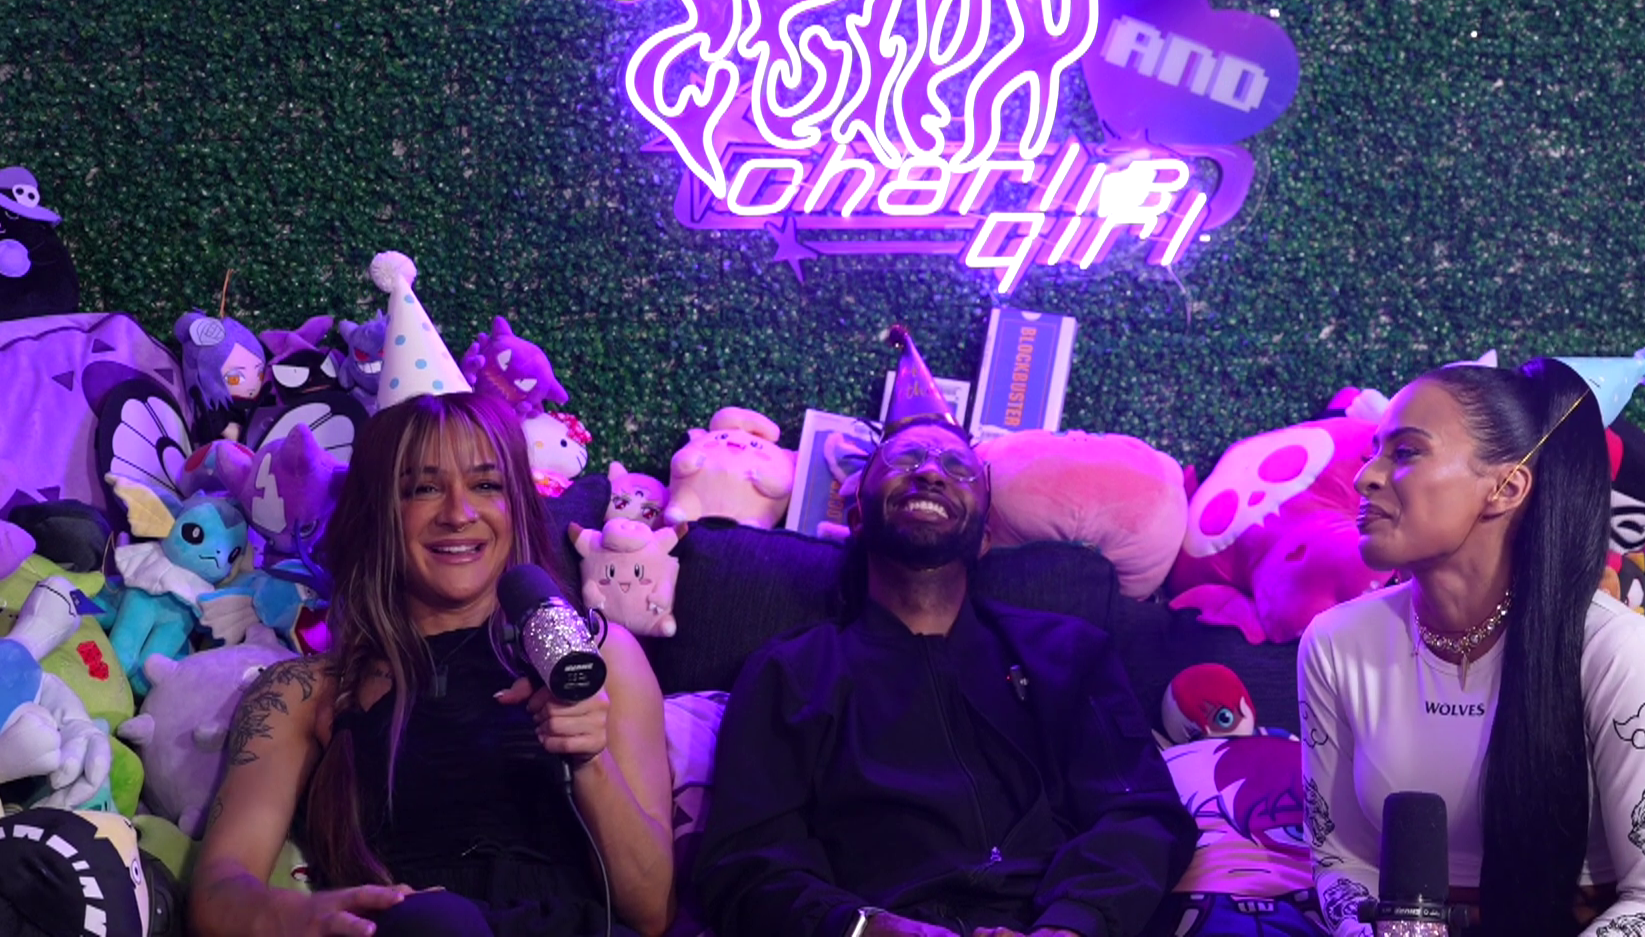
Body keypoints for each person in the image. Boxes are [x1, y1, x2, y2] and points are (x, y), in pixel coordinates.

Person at [693, 327, 1195, 937]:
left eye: (958, 469)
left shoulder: (1070, 653)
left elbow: (1140, 813)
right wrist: (870, 929)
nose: (931, 472)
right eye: (905, 461)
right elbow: (744, 866)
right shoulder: (791, 673)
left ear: (985, 536)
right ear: (857, 516)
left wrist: (1070, 925)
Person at [1298, 356, 1645, 937]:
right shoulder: (1335, 644)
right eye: (1374, 451)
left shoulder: (1620, 652)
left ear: (1507, 487)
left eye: (1407, 451)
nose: (1366, 476)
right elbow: (1341, 859)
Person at [186, 389, 677, 937]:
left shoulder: (598, 656)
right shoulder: (304, 692)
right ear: (379, 513)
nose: (459, 514)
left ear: (517, 505)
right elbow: (217, 892)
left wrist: (590, 761)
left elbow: (651, 910)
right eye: (423, 488)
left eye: (486, 485)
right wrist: (303, 914)